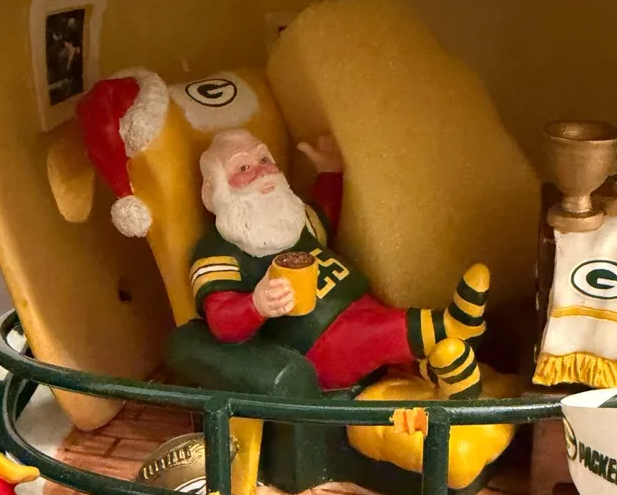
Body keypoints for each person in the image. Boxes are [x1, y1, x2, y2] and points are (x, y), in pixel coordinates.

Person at [190, 129, 490, 396]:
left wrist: (329, 172)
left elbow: (324, 215)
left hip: (361, 306)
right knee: (383, 331)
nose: (262, 171)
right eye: (243, 168)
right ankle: (453, 326)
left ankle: (448, 372)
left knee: (394, 338)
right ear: (215, 189)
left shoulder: (292, 219)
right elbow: (222, 321)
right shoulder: (218, 251)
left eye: (264, 159)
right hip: (321, 342)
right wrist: (257, 304)